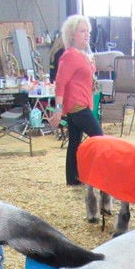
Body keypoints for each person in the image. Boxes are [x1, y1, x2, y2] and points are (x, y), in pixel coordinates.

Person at [48, 15, 103, 192]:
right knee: (100, 140)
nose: (86, 35)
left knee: (74, 142)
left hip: (81, 106)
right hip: (78, 108)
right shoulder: (69, 56)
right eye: (82, 31)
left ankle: (72, 179)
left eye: (88, 31)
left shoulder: (84, 55)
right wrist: (57, 111)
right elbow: (60, 84)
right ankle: (101, 176)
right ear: (72, 34)